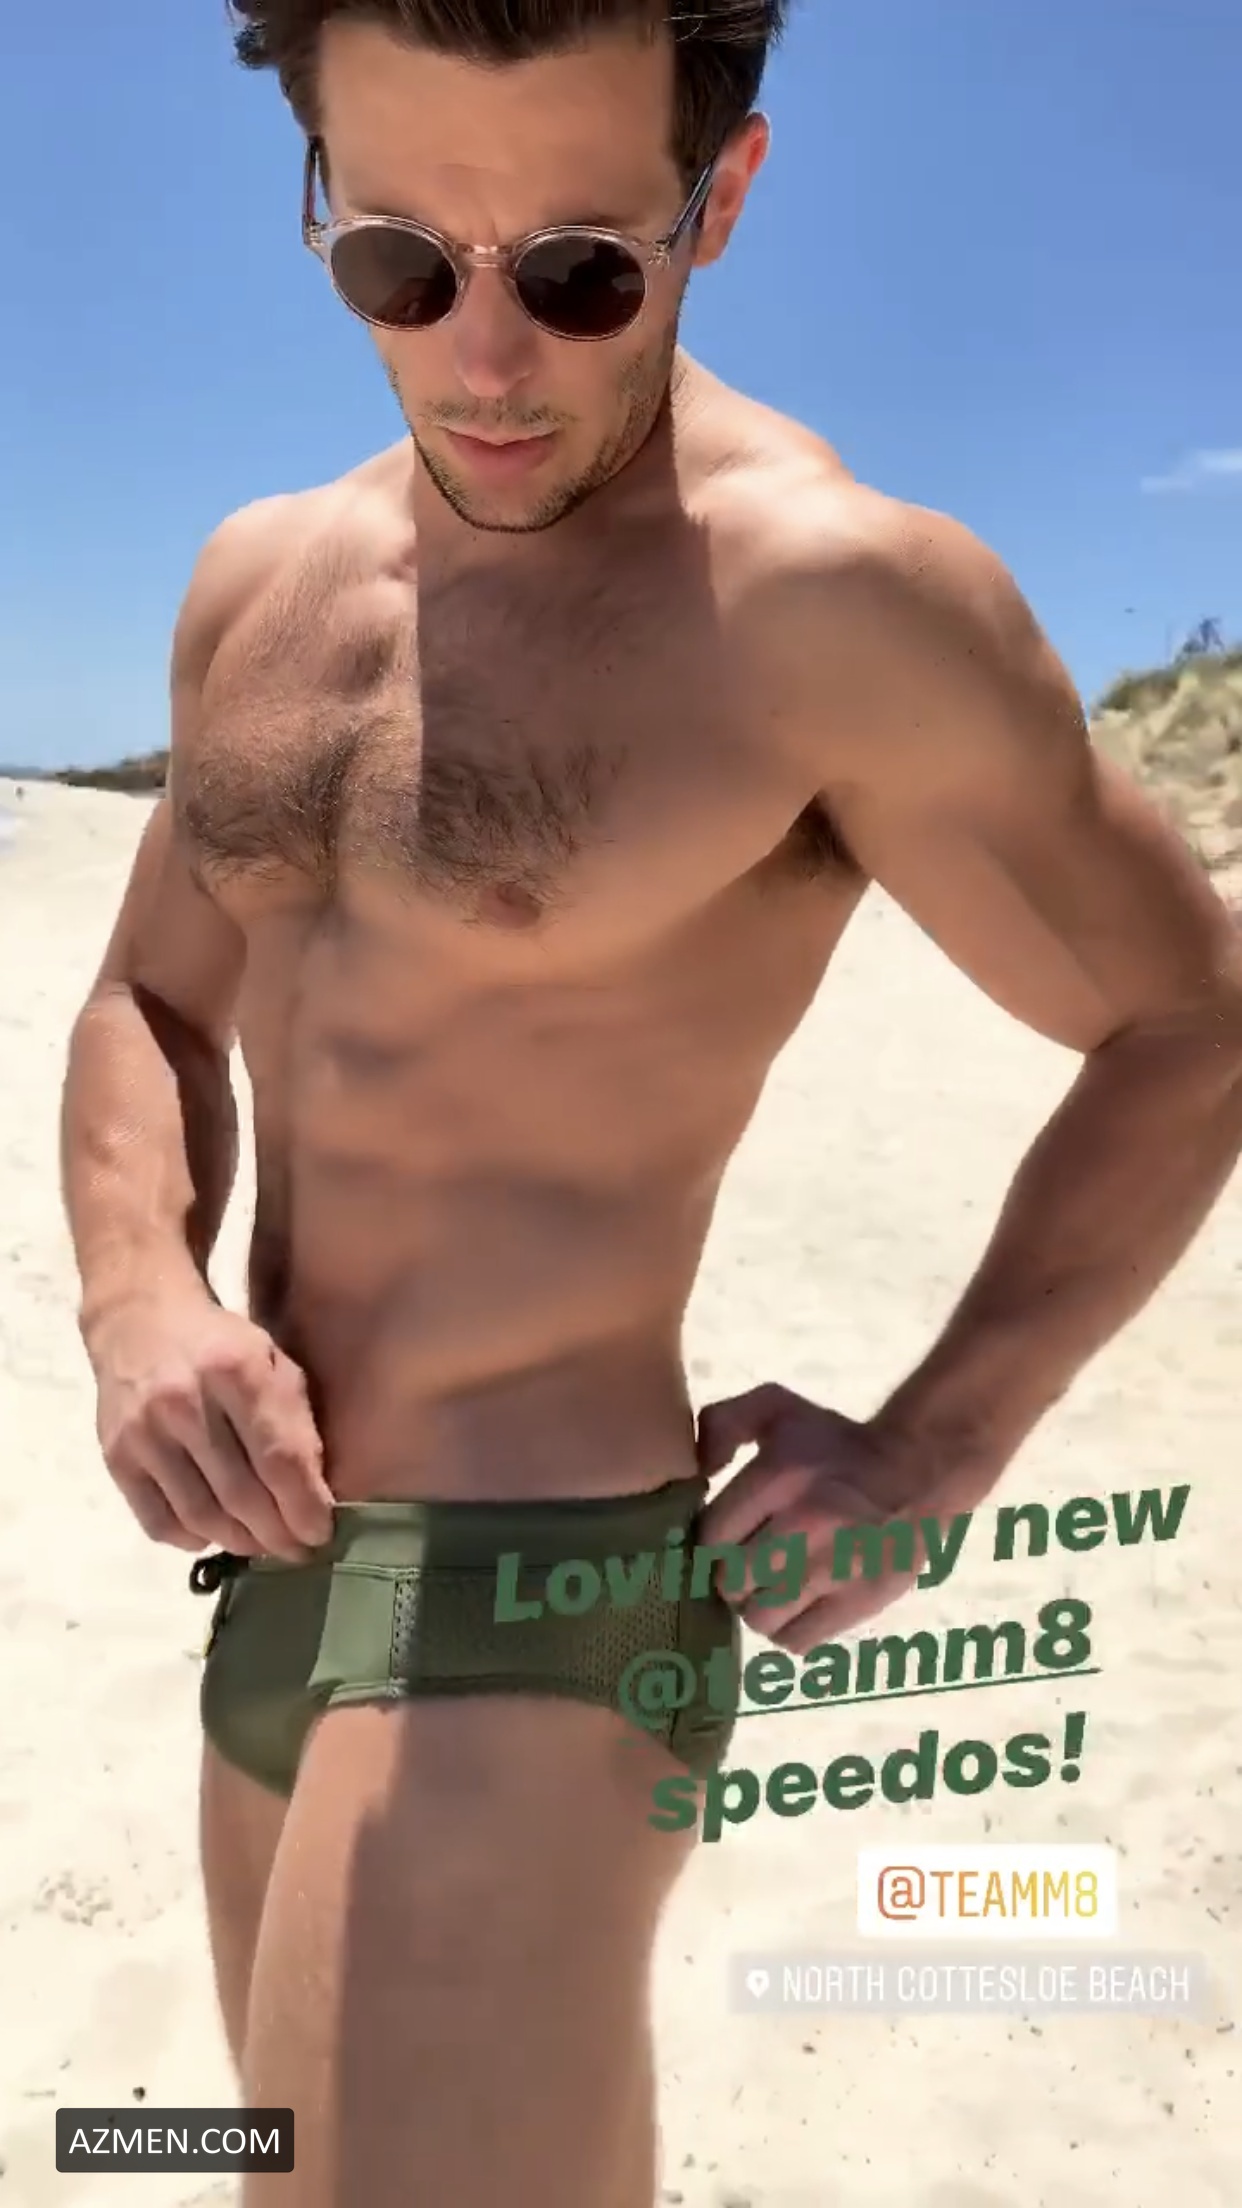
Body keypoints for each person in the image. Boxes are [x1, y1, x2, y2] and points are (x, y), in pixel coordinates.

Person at [58, 3, 1242, 2203]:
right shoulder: (259, 592)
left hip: (541, 1595)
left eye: (580, 269)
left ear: (723, 198)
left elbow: (1190, 1023)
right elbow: (149, 994)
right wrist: (141, 1294)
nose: (485, 357)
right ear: (317, 200)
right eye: (399, 265)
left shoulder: (832, 603)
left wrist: (938, 1445)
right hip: (271, 1581)